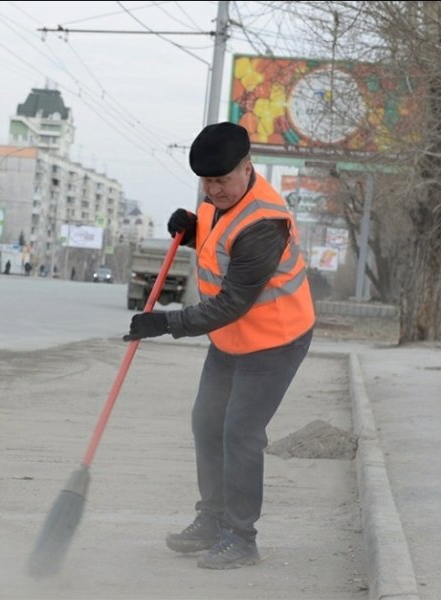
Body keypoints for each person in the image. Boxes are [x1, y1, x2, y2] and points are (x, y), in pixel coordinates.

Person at [124, 122, 315, 570]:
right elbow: (217, 243)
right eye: (206, 182)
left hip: (275, 340)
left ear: (246, 168)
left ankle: (240, 537)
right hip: (232, 339)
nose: (213, 190)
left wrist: (165, 323)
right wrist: (191, 231)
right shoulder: (217, 200)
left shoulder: (265, 222)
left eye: (221, 180)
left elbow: (231, 301)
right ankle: (211, 520)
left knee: (240, 434)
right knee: (206, 424)